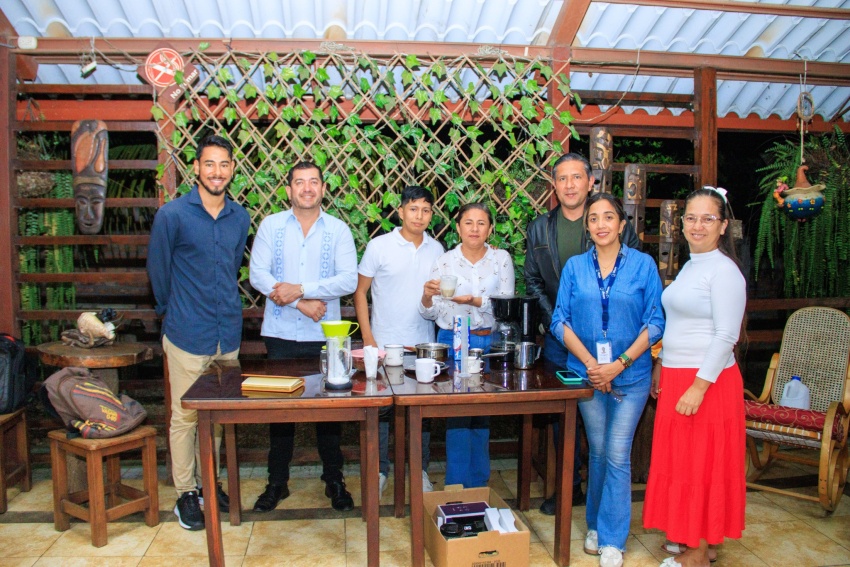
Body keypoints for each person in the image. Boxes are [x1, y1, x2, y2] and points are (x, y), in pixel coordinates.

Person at [550, 193, 664, 567]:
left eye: (609, 217)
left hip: (631, 376)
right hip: (586, 377)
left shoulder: (643, 265)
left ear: (621, 224)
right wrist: (591, 365)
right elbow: (559, 321)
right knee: (597, 451)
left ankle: (613, 539)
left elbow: (656, 322)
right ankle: (596, 525)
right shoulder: (574, 267)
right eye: (594, 218)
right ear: (587, 227)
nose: (601, 224)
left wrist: (618, 364)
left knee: (616, 452)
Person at [525, 152, 642, 515]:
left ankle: (603, 493)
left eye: (577, 177)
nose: (570, 185)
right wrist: (560, 325)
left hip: (613, 343)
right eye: (562, 178)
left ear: (591, 182)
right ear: (554, 185)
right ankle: (569, 486)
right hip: (562, 340)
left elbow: (633, 274)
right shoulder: (540, 228)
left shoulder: (609, 222)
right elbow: (533, 280)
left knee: (608, 426)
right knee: (566, 417)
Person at [147, 135, 250, 531]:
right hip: (187, 332)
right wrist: (171, 314)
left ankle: (210, 482)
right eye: (209, 164)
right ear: (196, 168)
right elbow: (158, 271)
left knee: (219, 416)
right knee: (185, 416)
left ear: (232, 169)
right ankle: (186, 493)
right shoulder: (172, 215)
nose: (216, 172)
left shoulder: (240, 218)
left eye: (223, 164)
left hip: (227, 333)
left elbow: (231, 268)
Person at [642, 187, 747, 567]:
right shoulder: (691, 266)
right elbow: (678, 324)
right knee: (682, 464)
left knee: (704, 465)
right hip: (676, 375)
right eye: (691, 218)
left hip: (708, 382)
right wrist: (662, 364)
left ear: (723, 226)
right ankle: (697, 538)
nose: (697, 226)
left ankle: (699, 552)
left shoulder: (725, 271)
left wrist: (699, 387)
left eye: (707, 219)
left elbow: (726, 335)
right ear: (682, 223)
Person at [248, 161, 358, 512]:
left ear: (323, 189)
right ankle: (276, 483)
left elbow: (348, 280)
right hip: (281, 333)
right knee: (280, 412)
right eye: (299, 182)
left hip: (327, 335)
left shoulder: (338, 230)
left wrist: (301, 289)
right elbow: (258, 275)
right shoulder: (271, 225)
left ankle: (334, 480)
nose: (307, 188)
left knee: (330, 412)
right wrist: (302, 303)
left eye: (313, 182)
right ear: (289, 189)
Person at [354, 186, 444, 495]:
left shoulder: (437, 249)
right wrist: (368, 338)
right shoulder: (379, 246)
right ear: (401, 211)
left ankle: (419, 471)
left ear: (431, 215)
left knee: (420, 414)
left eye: (426, 210)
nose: (419, 216)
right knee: (380, 412)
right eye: (413, 209)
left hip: (422, 347)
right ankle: (379, 470)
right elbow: (360, 292)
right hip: (383, 346)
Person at [420, 202, 515, 488]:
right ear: (458, 228)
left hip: (488, 341)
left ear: (490, 228)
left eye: (481, 223)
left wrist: (474, 301)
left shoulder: (501, 259)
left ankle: (478, 485)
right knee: (458, 415)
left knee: (483, 414)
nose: (474, 229)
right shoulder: (445, 261)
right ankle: (456, 487)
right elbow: (432, 312)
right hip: (453, 340)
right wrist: (426, 297)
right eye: (468, 223)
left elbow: (506, 305)